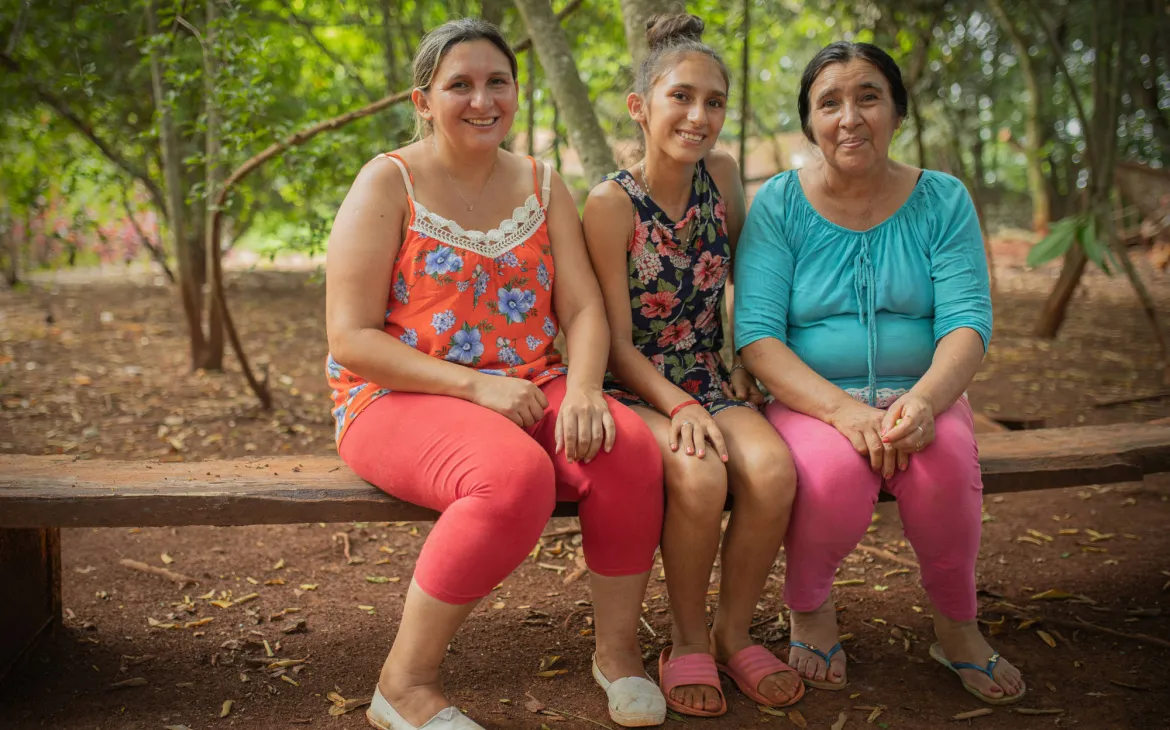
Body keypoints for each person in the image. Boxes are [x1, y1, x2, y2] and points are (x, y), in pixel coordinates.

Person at [325, 19, 667, 730]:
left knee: (627, 447)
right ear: (423, 100)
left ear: (515, 91)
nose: (482, 99)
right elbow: (350, 338)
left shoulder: (543, 182)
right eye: (460, 85)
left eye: (497, 82)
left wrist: (580, 389)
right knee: (515, 477)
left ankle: (618, 654)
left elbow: (582, 308)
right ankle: (404, 685)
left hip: (530, 382)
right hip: (397, 395)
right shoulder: (386, 182)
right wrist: (476, 386)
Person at [733, 41, 1026, 705]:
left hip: (924, 394)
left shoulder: (943, 199)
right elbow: (756, 336)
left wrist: (923, 403)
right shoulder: (779, 203)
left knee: (944, 468)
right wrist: (845, 413)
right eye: (828, 103)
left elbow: (967, 324)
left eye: (868, 96)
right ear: (810, 122)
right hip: (812, 402)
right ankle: (809, 608)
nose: (849, 117)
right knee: (832, 477)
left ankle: (956, 627)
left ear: (897, 110)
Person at [582, 14, 803, 718]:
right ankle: (683, 640)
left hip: (707, 373)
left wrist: (743, 356)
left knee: (772, 471)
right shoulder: (610, 203)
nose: (698, 115)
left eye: (714, 101)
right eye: (681, 97)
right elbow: (613, 340)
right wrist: (676, 406)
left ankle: (733, 633)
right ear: (641, 107)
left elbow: (747, 278)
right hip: (634, 385)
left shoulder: (725, 175)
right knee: (701, 477)